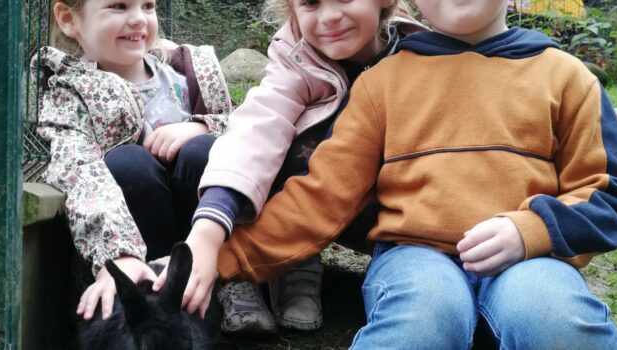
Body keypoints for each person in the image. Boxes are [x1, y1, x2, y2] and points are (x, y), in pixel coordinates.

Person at [210, 0, 617, 348]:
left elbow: (608, 198)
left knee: (557, 319)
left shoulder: (567, 77)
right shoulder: (382, 83)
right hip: (414, 258)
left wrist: (535, 230)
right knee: (423, 316)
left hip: (534, 263)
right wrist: (215, 260)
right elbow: (321, 197)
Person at [150, 0, 426, 334]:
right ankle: (290, 265)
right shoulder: (296, 56)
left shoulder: (422, 53)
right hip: (304, 203)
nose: (330, 17)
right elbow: (258, 129)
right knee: (275, 138)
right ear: (292, 11)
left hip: (387, 211)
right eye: (310, 3)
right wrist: (208, 231)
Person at [31, 0, 231, 322]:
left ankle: (229, 282)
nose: (138, 19)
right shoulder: (70, 95)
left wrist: (201, 125)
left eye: (147, 6)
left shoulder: (189, 76)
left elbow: (242, 132)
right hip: (134, 236)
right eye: (119, 6)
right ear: (69, 19)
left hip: (203, 234)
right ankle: (151, 293)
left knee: (204, 149)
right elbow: (79, 170)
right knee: (128, 162)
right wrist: (118, 255)